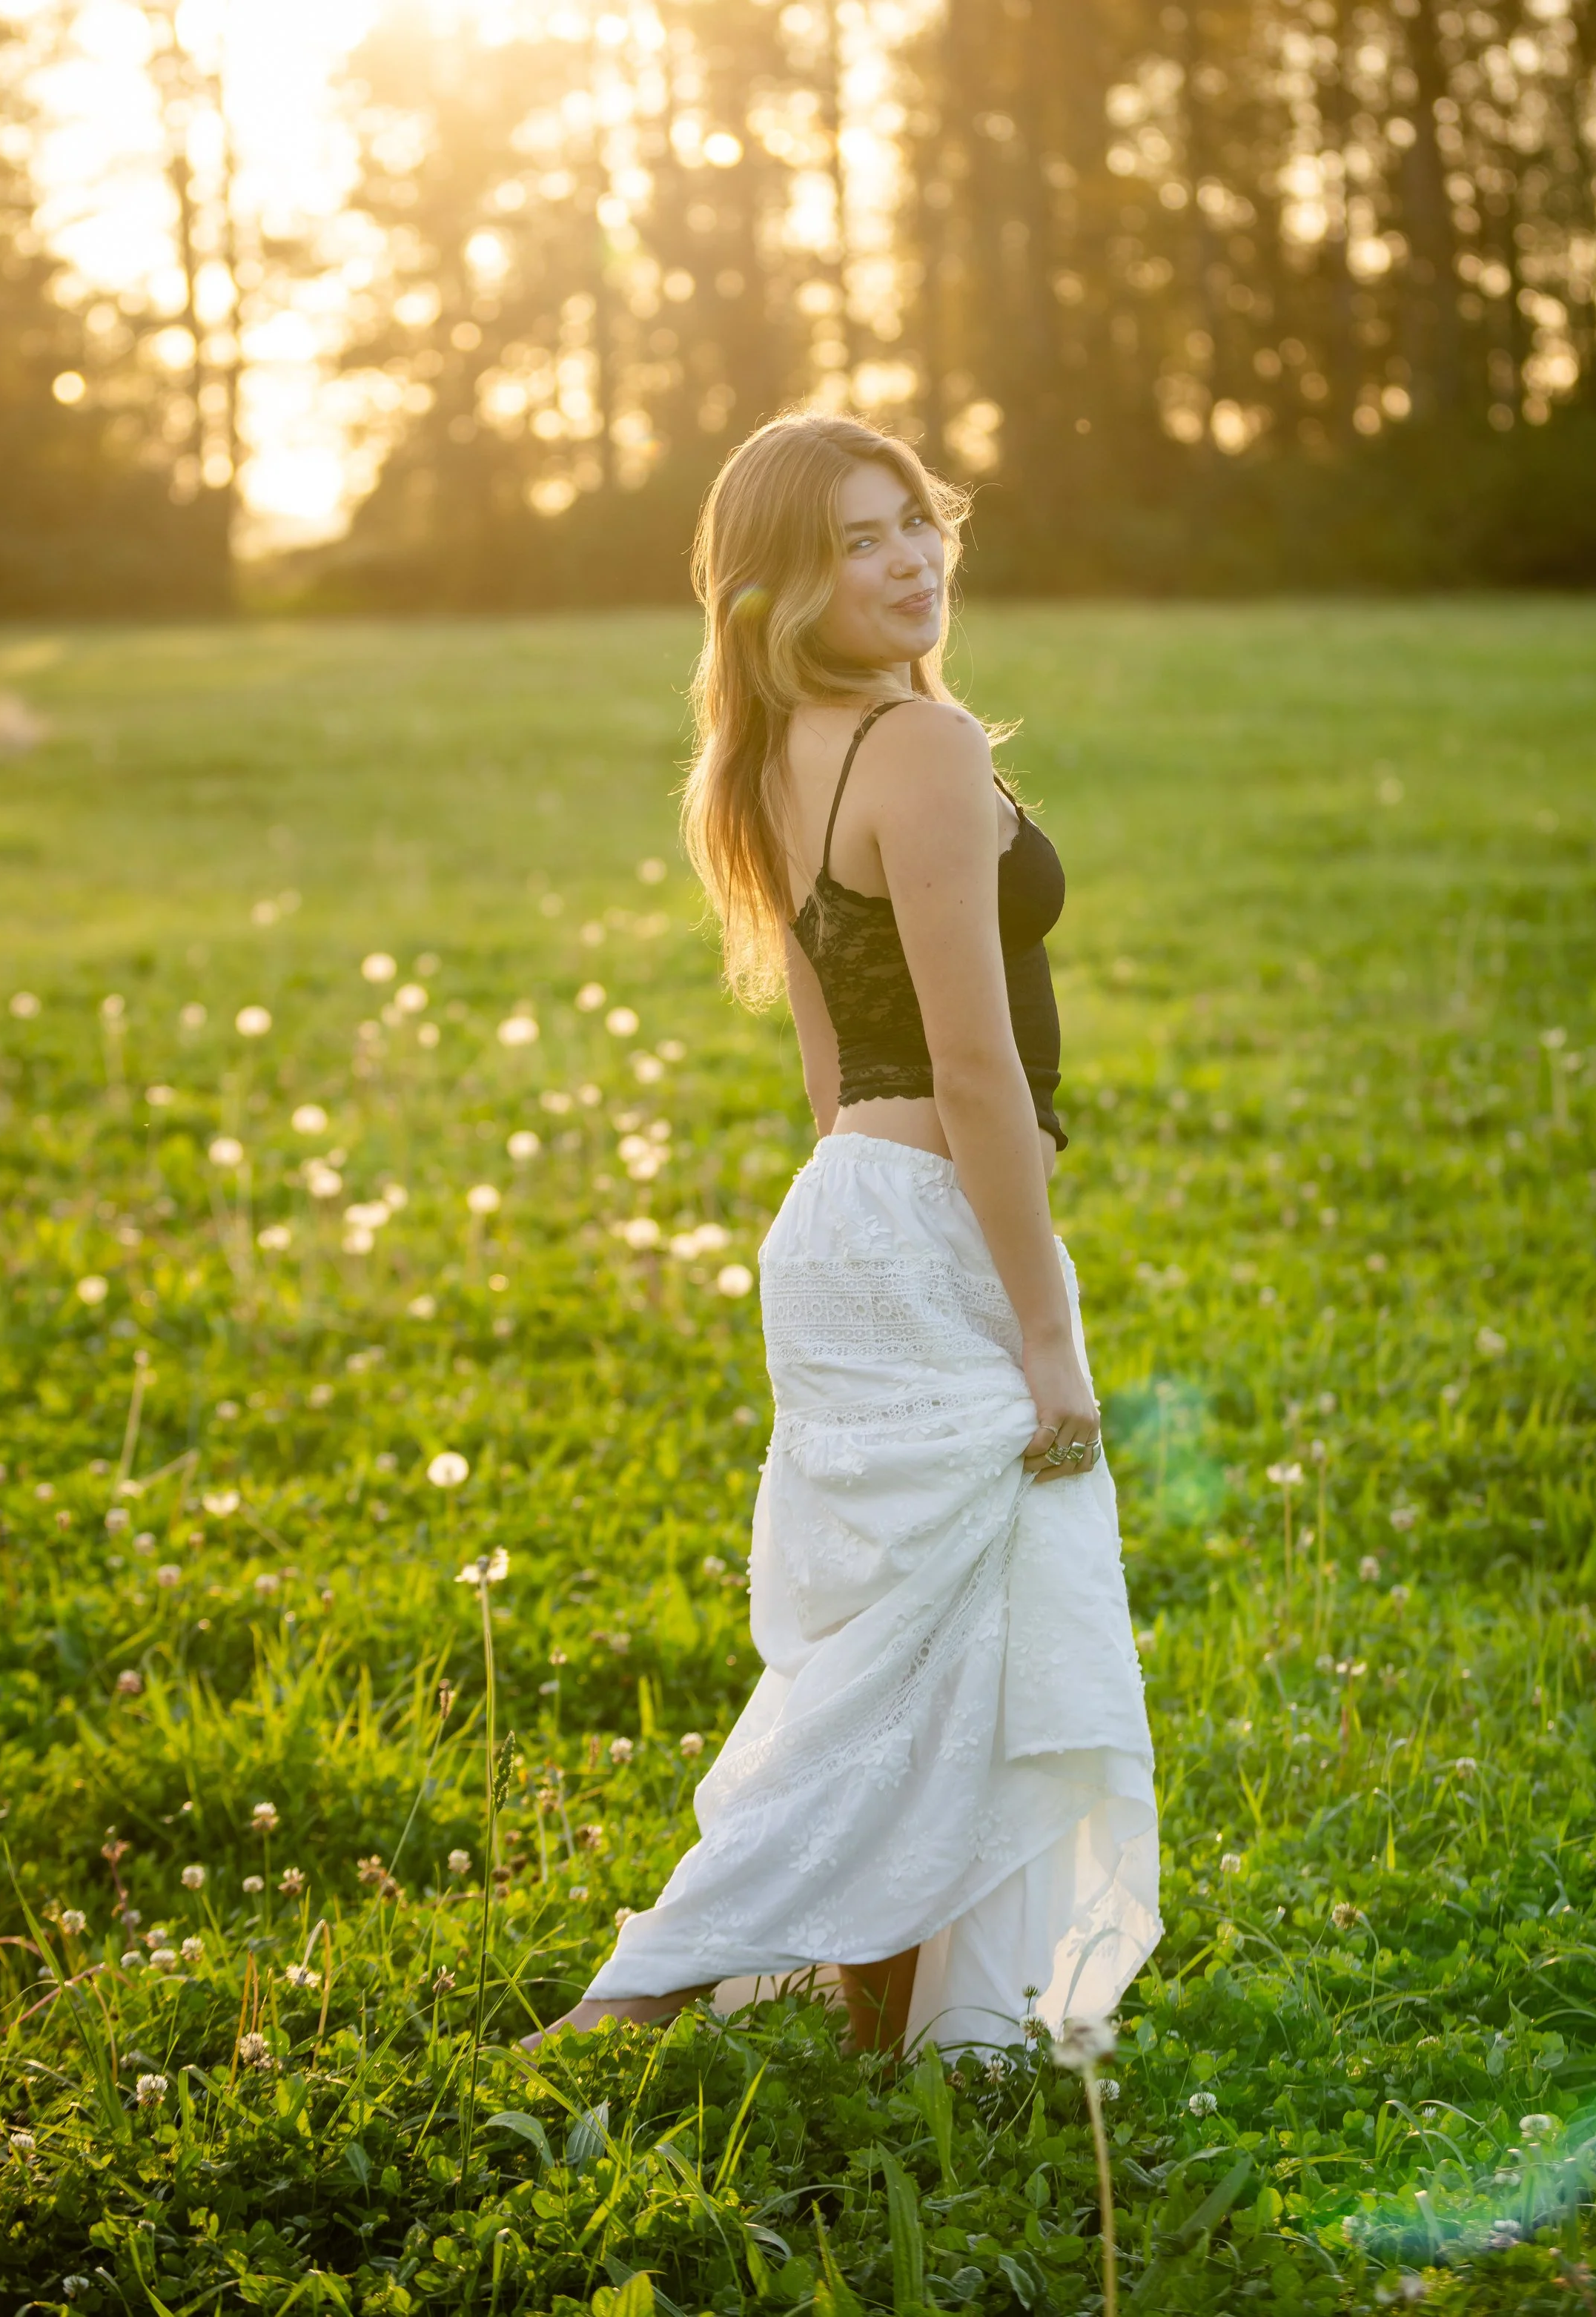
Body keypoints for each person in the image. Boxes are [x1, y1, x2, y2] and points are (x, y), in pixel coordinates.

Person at [531, 411, 1158, 2058]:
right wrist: (1042, 1328)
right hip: (932, 1210)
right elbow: (972, 1065)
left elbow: (828, 1065)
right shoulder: (923, 751)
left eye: (912, 522)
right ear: (780, 589)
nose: (907, 560)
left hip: (840, 1220)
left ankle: (879, 2021)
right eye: (855, 543)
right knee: (937, 1633)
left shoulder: (768, 756)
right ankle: (651, 1973)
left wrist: (895, 1228)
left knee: (919, 1636)